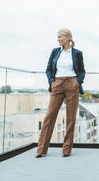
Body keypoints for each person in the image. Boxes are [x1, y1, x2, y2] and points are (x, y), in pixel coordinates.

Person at [35, 28, 85, 158]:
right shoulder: (55, 52)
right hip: (57, 84)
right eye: (57, 37)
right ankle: (41, 150)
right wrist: (52, 81)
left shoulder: (77, 53)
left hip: (72, 84)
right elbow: (48, 69)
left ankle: (66, 150)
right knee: (49, 116)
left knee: (70, 118)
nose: (58, 40)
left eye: (60, 37)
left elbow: (82, 71)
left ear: (68, 38)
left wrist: (77, 82)